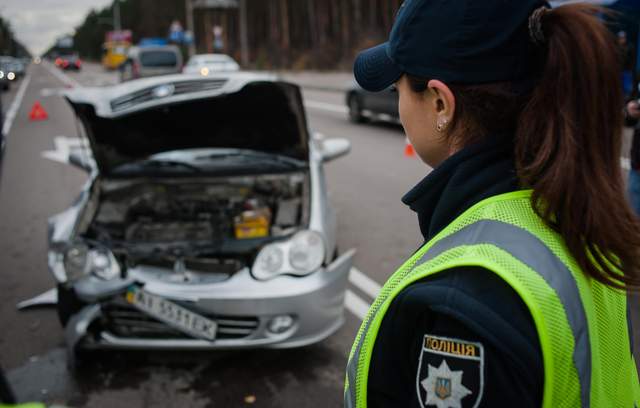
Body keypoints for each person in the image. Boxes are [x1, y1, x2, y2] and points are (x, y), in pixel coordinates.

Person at [345, 1, 640, 407]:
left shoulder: (461, 301)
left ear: (440, 103)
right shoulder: (576, 214)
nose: (399, 104)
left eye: (398, 89)